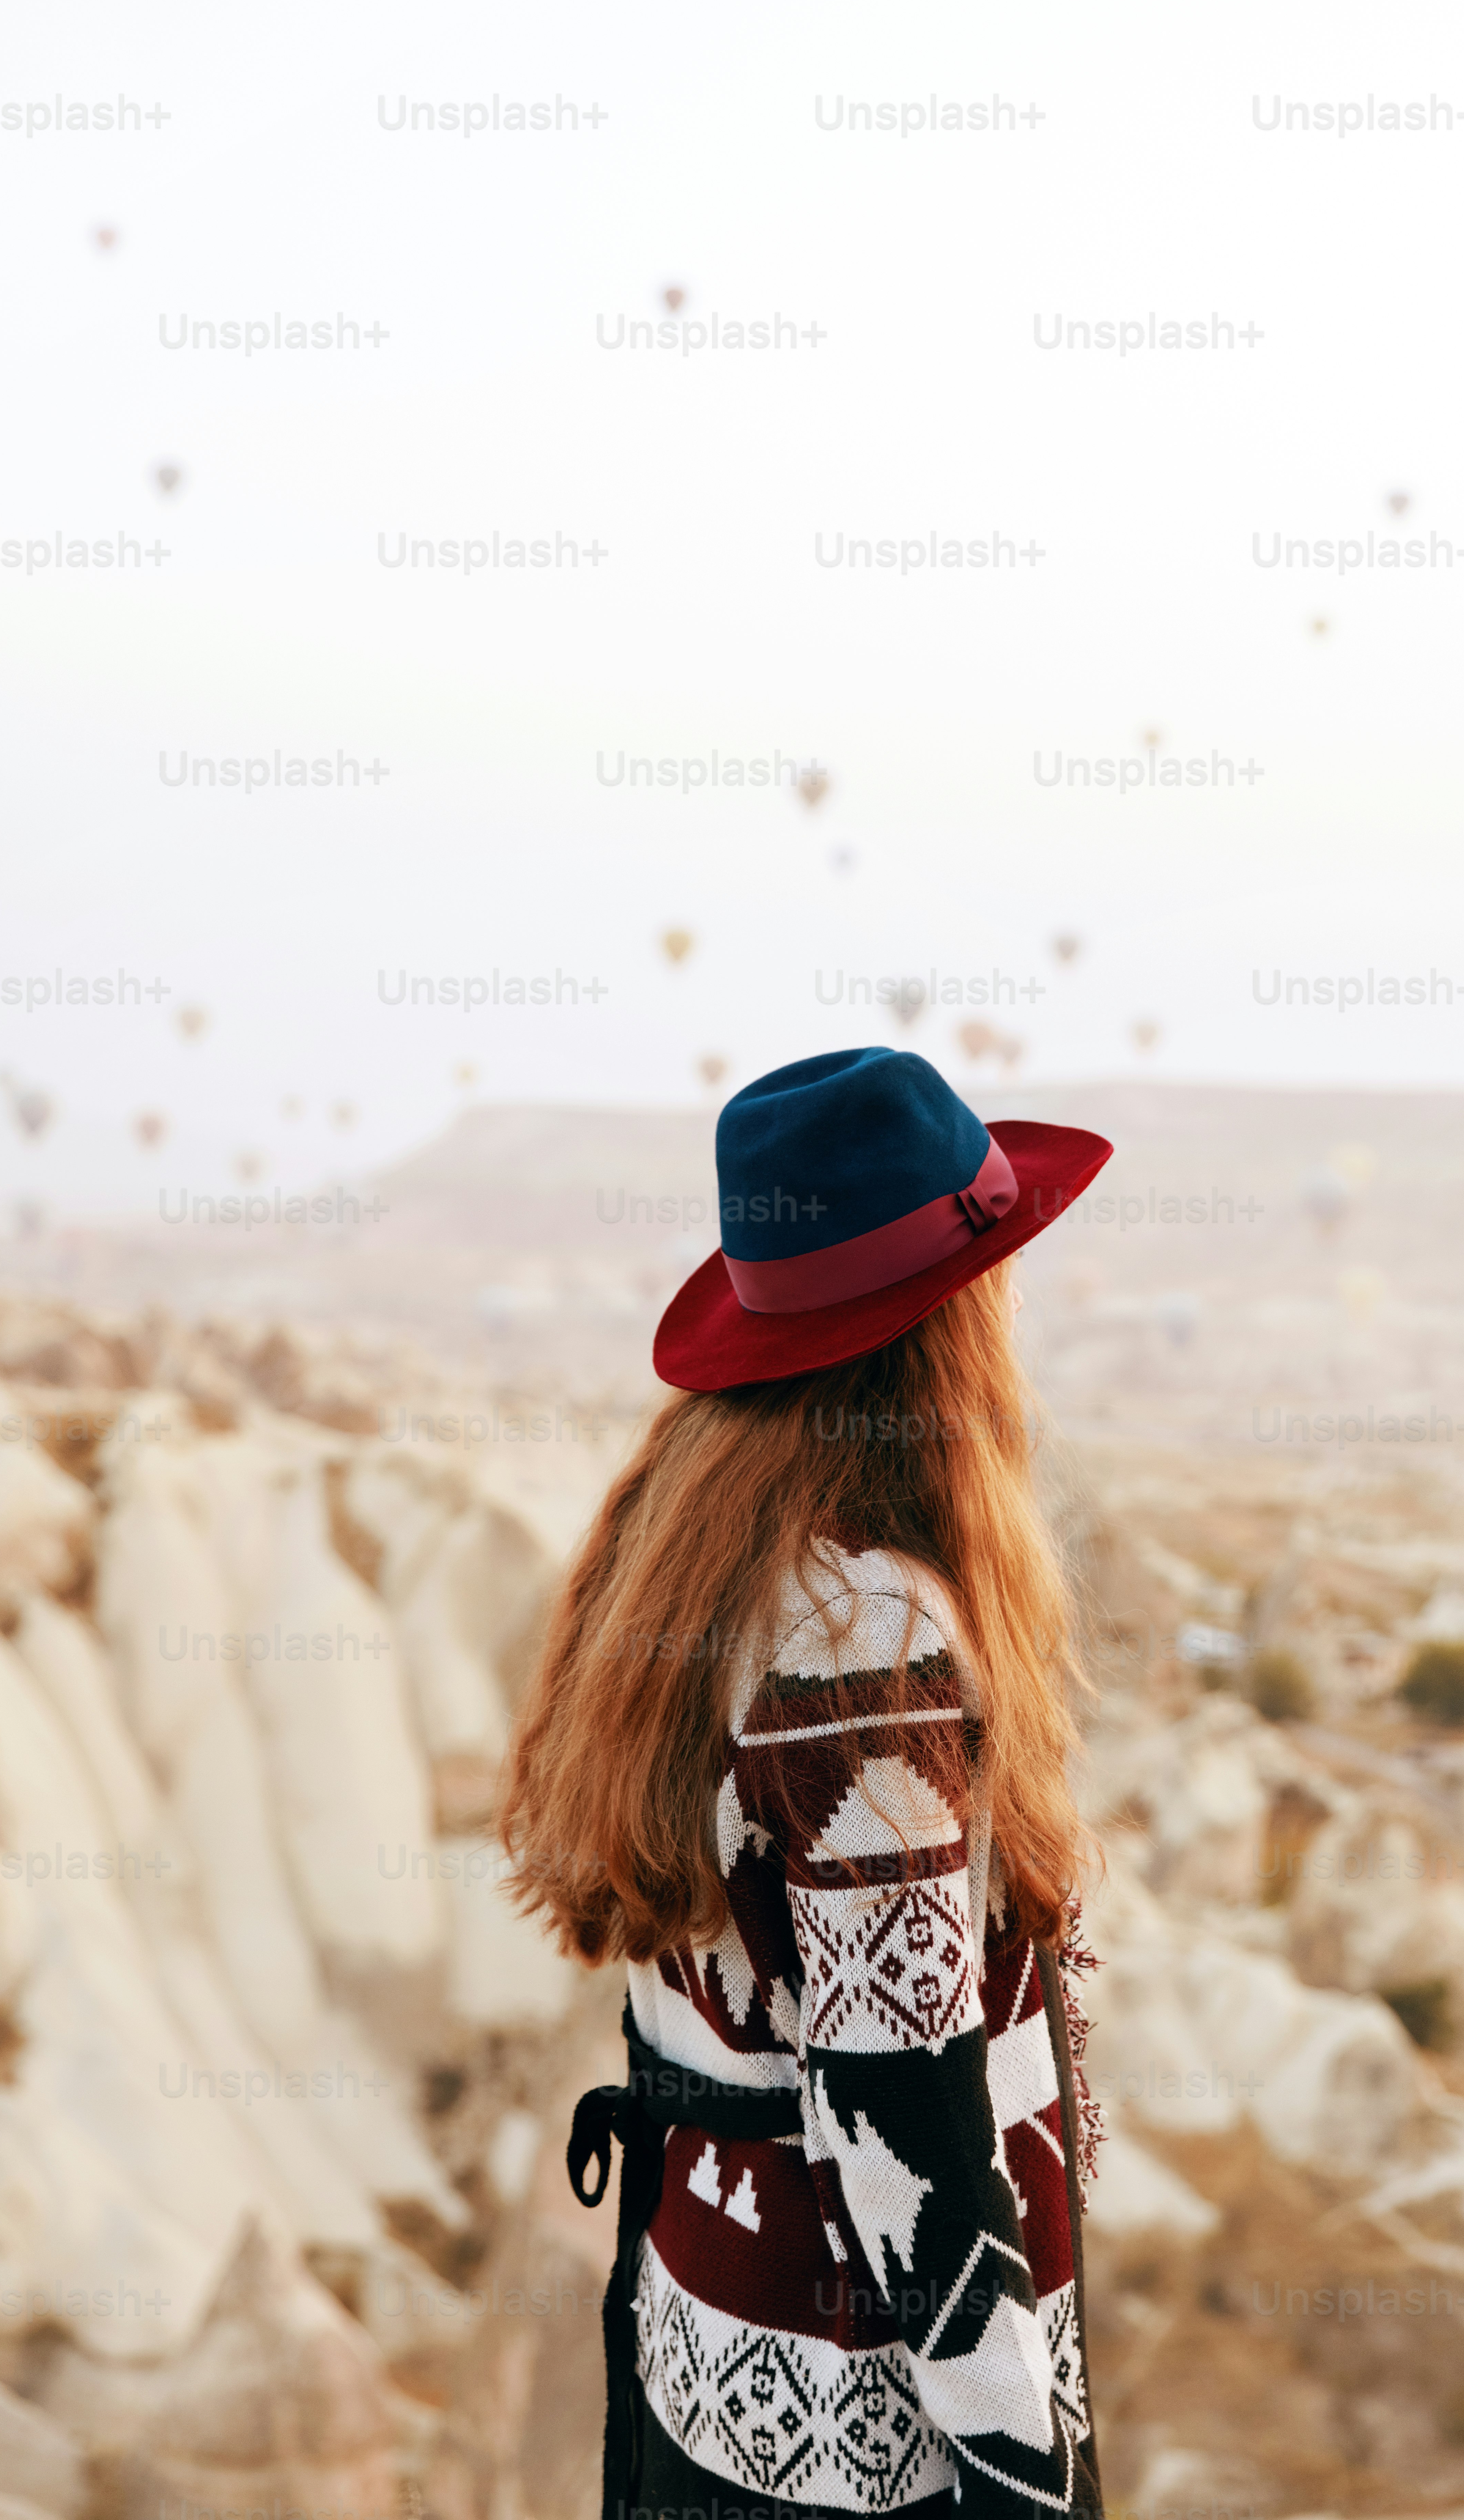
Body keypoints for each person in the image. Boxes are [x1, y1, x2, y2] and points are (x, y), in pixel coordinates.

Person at [502, 1046, 1113, 2517]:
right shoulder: (868, 1638)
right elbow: (902, 2117)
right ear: (948, 1329)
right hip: (870, 2434)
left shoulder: (692, 1539)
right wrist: (1018, 2475)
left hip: (709, 2358)